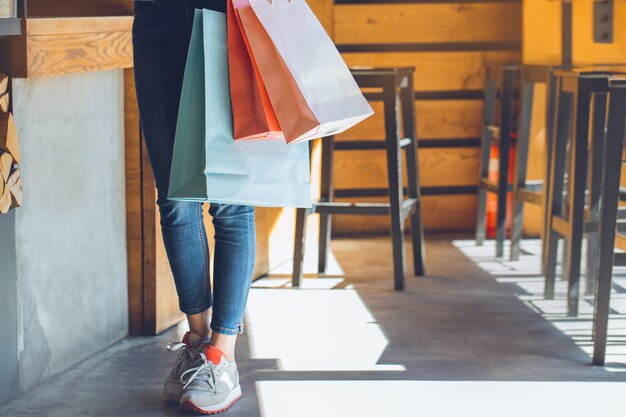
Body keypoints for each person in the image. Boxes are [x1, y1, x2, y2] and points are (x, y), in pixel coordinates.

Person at [132, 0, 256, 413]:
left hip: (222, 12)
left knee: (230, 200)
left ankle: (224, 356)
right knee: (173, 199)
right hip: (155, 15)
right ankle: (199, 345)